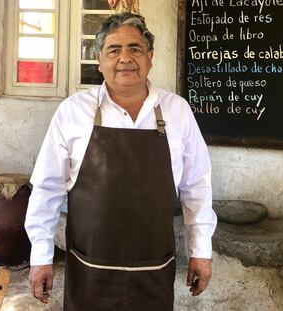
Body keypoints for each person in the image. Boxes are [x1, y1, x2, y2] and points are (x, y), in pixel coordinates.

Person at [25, 12, 217, 310]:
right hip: (89, 269)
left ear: (150, 57)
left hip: (153, 270)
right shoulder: (72, 112)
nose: (125, 58)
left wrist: (201, 250)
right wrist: (40, 256)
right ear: (99, 60)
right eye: (114, 50)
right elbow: (47, 188)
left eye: (135, 49)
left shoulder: (177, 111)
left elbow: (197, 186)